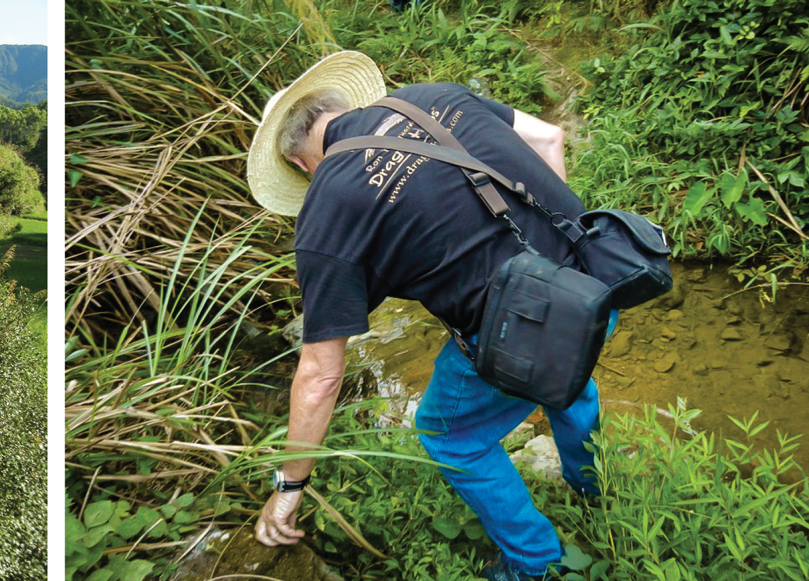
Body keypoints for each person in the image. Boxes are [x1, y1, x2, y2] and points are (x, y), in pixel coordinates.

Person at [246, 51, 607, 581]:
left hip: (522, 332)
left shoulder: (325, 213)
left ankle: (536, 564)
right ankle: (595, 491)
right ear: (342, 106)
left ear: (301, 164)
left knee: (448, 433)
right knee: (567, 374)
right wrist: (558, 271)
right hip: (593, 286)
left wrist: (290, 487)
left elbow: (321, 377)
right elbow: (551, 137)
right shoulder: (430, 96)